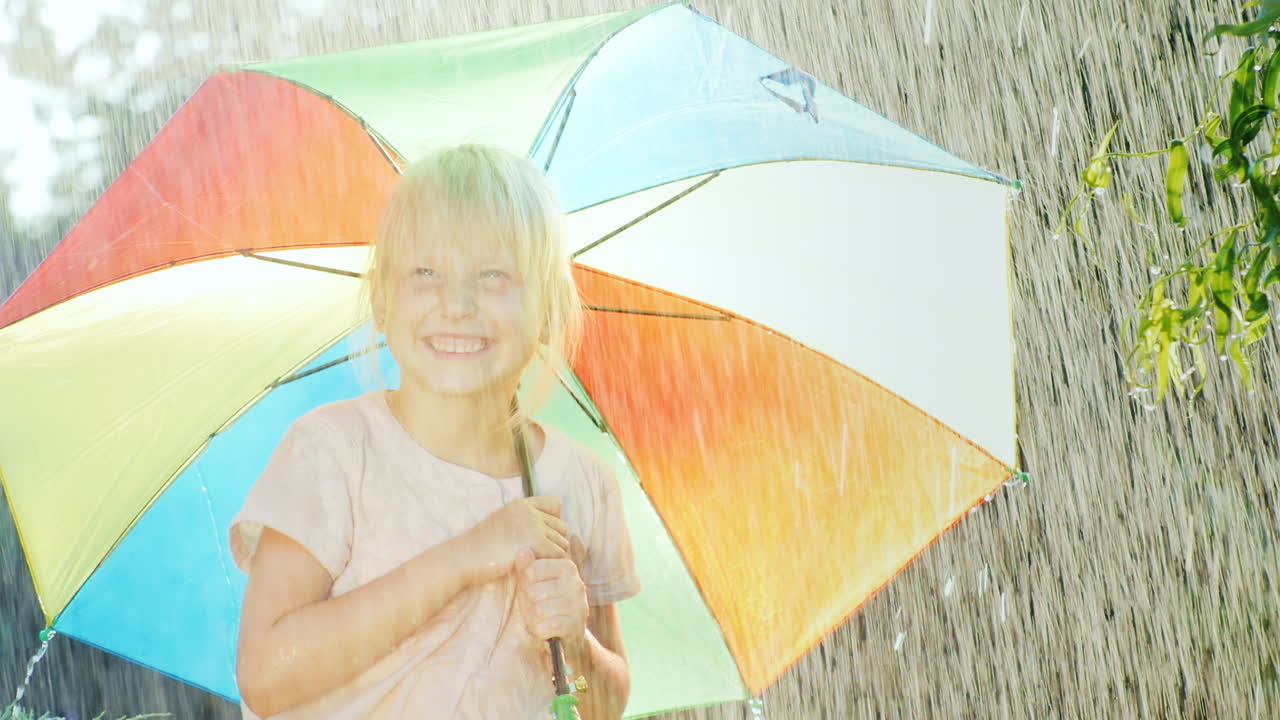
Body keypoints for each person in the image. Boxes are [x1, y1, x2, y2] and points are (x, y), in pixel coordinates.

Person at [228, 144, 641, 719]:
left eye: (495, 275)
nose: (457, 304)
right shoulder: (335, 453)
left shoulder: (580, 483)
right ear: (381, 297)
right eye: (426, 272)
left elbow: (608, 706)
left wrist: (574, 638)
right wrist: (468, 556)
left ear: (547, 307)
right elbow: (267, 677)